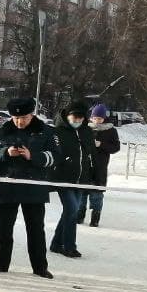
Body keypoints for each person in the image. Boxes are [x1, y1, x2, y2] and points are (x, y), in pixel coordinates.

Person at [0, 96, 59, 278]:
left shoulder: (46, 132)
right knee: (4, 229)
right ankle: (1, 264)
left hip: (33, 187)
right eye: (16, 118)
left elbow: (56, 157)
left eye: (24, 118)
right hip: (7, 187)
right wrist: (5, 153)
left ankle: (40, 267)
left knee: (35, 229)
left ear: (32, 115)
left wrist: (32, 156)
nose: (19, 122)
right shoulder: (1, 132)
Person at [49, 101, 94, 259]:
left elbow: (90, 154)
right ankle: (69, 246)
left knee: (70, 211)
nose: (77, 121)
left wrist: (91, 175)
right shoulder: (57, 132)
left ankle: (56, 243)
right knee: (72, 210)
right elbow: (54, 153)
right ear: (67, 116)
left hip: (81, 178)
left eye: (80, 118)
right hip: (63, 178)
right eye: (75, 117)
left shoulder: (87, 132)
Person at [82, 103, 120, 226]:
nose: (97, 121)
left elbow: (116, 147)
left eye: (100, 118)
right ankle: (79, 216)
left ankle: (95, 218)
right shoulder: (85, 129)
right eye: (95, 118)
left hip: (100, 168)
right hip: (84, 168)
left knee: (96, 195)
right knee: (81, 194)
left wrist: (101, 145)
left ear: (104, 118)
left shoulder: (111, 131)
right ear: (91, 118)